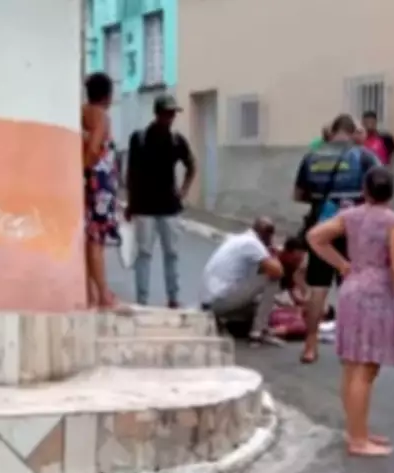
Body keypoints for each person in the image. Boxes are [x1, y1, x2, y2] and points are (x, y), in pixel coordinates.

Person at [307, 167, 394, 457]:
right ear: (390, 193)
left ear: (365, 191)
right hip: (376, 294)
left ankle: (356, 430)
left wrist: (341, 264)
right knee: (366, 369)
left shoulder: (350, 216)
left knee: (353, 364)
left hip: (351, 288)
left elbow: (315, 236)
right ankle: (358, 439)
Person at [294, 114, 382, 364]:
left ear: (331, 131)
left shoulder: (312, 156)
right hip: (353, 230)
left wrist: (323, 200)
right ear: (353, 132)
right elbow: (381, 188)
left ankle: (310, 347)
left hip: (321, 230)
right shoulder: (363, 156)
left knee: (318, 288)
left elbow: (298, 194)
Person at [126, 95, 196, 308]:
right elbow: (131, 174)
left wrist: (183, 192)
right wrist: (130, 203)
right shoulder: (139, 139)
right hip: (144, 207)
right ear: (157, 113)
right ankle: (142, 300)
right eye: (167, 113)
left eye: (173, 113)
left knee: (172, 254)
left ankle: (173, 298)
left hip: (169, 207)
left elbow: (191, 166)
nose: (171, 117)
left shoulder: (177, 140)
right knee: (144, 253)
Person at [200, 217, 285, 344]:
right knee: (272, 279)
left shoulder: (236, 238)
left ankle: (227, 321)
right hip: (220, 300)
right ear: (266, 234)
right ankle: (257, 332)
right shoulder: (253, 243)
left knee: (256, 302)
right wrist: (272, 250)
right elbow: (278, 271)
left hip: (209, 300)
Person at [82, 72, 120, 309]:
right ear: (107, 96)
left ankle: (93, 294)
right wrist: (86, 169)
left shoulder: (82, 112)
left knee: (90, 238)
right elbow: (95, 147)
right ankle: (104, 295)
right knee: (97, 239)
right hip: (99, 181)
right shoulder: (102, 116)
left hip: (90, 181)